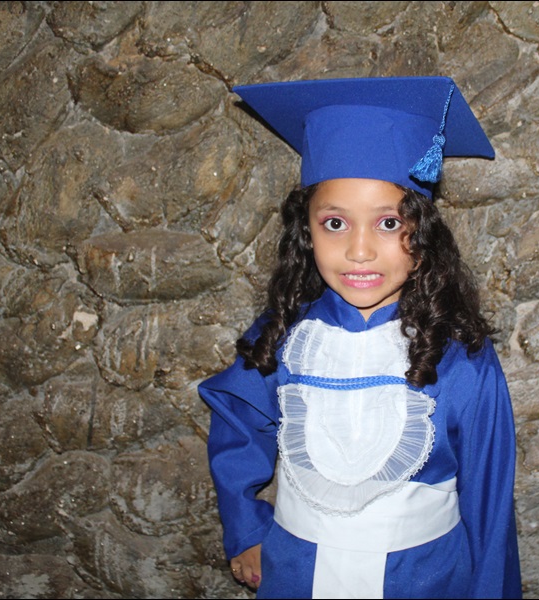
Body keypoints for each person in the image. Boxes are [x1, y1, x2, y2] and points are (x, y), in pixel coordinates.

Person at [199, 77, 521, 599]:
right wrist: (245, 527)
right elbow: (238, 419)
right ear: (306, 232)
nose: (360, 251)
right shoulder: (282, 335)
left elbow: (490, 504)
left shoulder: (462, 358)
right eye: (334, 223)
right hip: (295, 574)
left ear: (424, 231)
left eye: (389, 223)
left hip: (424, 580)